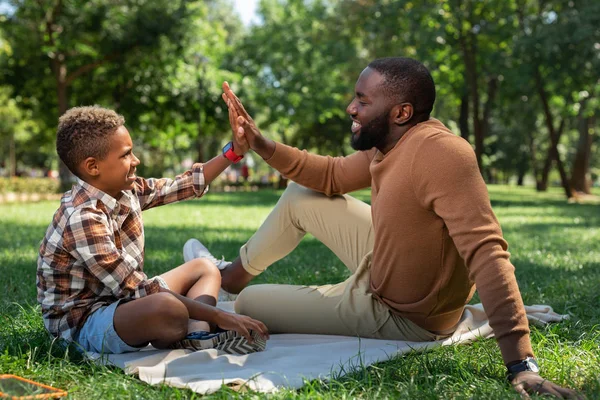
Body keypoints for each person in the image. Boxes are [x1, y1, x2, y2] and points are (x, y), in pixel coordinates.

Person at [184, 58, 579, 398]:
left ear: (401, 113)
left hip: (402, 314)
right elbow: (331, 175)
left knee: (252, 307)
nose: (351, 108)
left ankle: (234, 288)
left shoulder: (443, 154)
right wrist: (260, 143)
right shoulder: (389, 144)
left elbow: (488, 254)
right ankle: (230, 275)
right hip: (386, 264)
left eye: (362, 100)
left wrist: (521, 363)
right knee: (302, 195)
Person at [37, 106, 268, 355]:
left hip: (121, 302)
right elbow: (137, 289)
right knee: (167, 309)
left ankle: (198, 334)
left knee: (205, 267)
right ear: (93, 166)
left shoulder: (126, 190)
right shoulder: (82, 217)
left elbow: (185, 184)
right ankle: (193, 324)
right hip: (82, 323)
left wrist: (233, 152)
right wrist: (220, 315)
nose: (136, 160)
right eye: (126, 155)